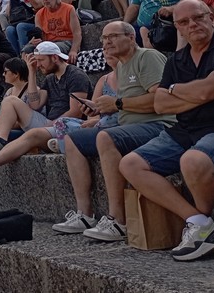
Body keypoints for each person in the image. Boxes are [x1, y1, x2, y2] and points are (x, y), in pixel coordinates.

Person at [119, 0, 214, 261]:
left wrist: (182, 91)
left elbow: (210, 89)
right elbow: (161, 102)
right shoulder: (177, 60)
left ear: (211, 17)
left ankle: (204, 222)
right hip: (185, 128)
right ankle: (199, 222)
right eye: (184, 22)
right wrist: (198, 94)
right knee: (130, 164)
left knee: (193, 160)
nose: (192, 25)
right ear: (178, 28)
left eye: (198, 18)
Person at [53, 22, 174, 242]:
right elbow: (123, 105)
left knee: (106, 136)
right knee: (73, 139)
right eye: (103, 38)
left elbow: (161, 100)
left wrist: (117, 104)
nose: (106, 42)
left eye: (113, 36)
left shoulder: (147, 57)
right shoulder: (122, 65)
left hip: (158, 125)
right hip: (128, 125)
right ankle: (85, 214)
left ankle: (118, 220)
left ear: (131, 37)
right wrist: (99, 108)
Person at [0, 42, 91, 162]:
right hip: (49, 123)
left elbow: (76, 112)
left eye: (41, 60)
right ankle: (1, 139)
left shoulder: (75, 76)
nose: (38, 64)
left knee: (12, 103)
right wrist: (32, 72)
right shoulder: (49, 79)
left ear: (54, 58)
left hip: (68, 125)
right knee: (10, 100)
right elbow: (35, 105)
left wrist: (51, 125)